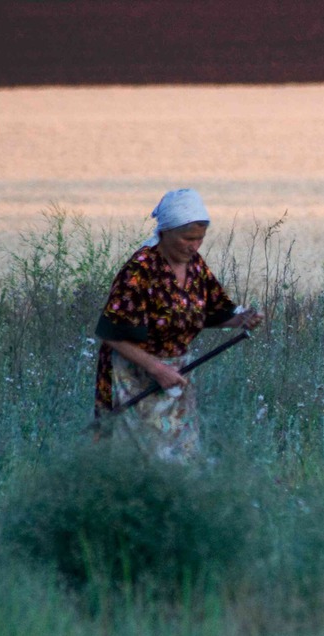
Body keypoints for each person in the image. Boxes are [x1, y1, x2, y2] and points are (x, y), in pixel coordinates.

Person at [93, 188, 263, 462]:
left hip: (176, 375)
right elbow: (110, 335)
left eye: (200, 239)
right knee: (142, 459)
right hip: (135, 375)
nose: (194, 246)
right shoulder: (140, 271)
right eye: (187, 238)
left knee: (182, 456)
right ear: (165, 232)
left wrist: (242, 319)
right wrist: (157, 369)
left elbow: (211, 314)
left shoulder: (195, 266)